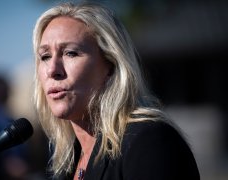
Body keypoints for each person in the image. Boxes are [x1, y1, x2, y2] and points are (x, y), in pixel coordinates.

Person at [32, 2, 200, 180]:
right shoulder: (68, 163)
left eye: (71, 53)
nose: (52, 70)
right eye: (45, 56)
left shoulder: (148, 142)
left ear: (111, 66)